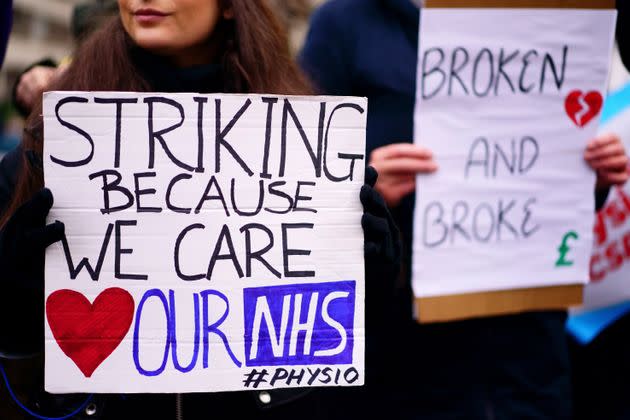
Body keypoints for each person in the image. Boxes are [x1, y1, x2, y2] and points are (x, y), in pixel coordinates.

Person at [0, 0, 400, 418]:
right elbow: (18, 357)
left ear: (229, 6)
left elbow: (336, 365)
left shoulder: (301, 139)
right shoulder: (59, 138)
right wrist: (13, 292)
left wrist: (370, 287)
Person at [300, 0, 629, 418]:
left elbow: (547, 160)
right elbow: (303, 174)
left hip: (525, 355)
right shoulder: (346, 22)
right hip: (403, 361)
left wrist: (589, 176)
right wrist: (363, 183)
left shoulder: (546, 19)